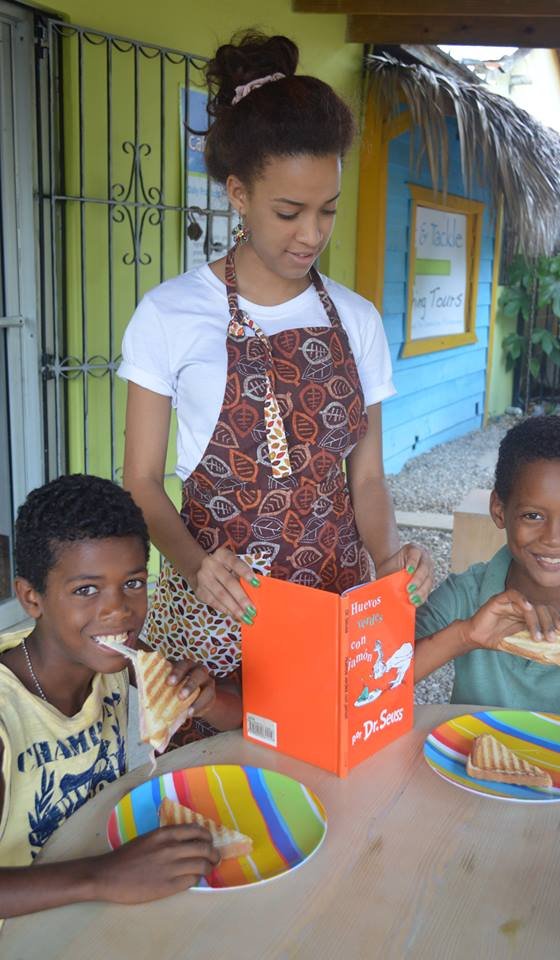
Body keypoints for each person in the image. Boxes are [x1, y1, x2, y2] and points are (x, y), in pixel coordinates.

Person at [119, 30, 432, 742]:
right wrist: (197, 566)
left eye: (328, 209)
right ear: (238, 193)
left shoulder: (357, 319)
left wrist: (391, 559)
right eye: (289, 212)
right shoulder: (170, 315)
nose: (312, 234)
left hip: (334, 609)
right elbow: (140, 481)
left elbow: (367, 482)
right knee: (221, 792)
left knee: (332, 771)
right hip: (216, 619)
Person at [0, 474, 241, 918]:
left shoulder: (117, 659)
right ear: (32, 598)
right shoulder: (7, 716)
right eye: (86, 590)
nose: (119, 610)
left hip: (98, 897)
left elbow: (242, 716)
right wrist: (102, 876)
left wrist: (205, 700)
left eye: (133, 583)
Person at [414, 416, 560, 727]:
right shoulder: (462, 596)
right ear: (499, 510)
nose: (554, 538)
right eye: (533, 515)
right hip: (469, 758)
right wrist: (466, 635)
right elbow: (373, 685)